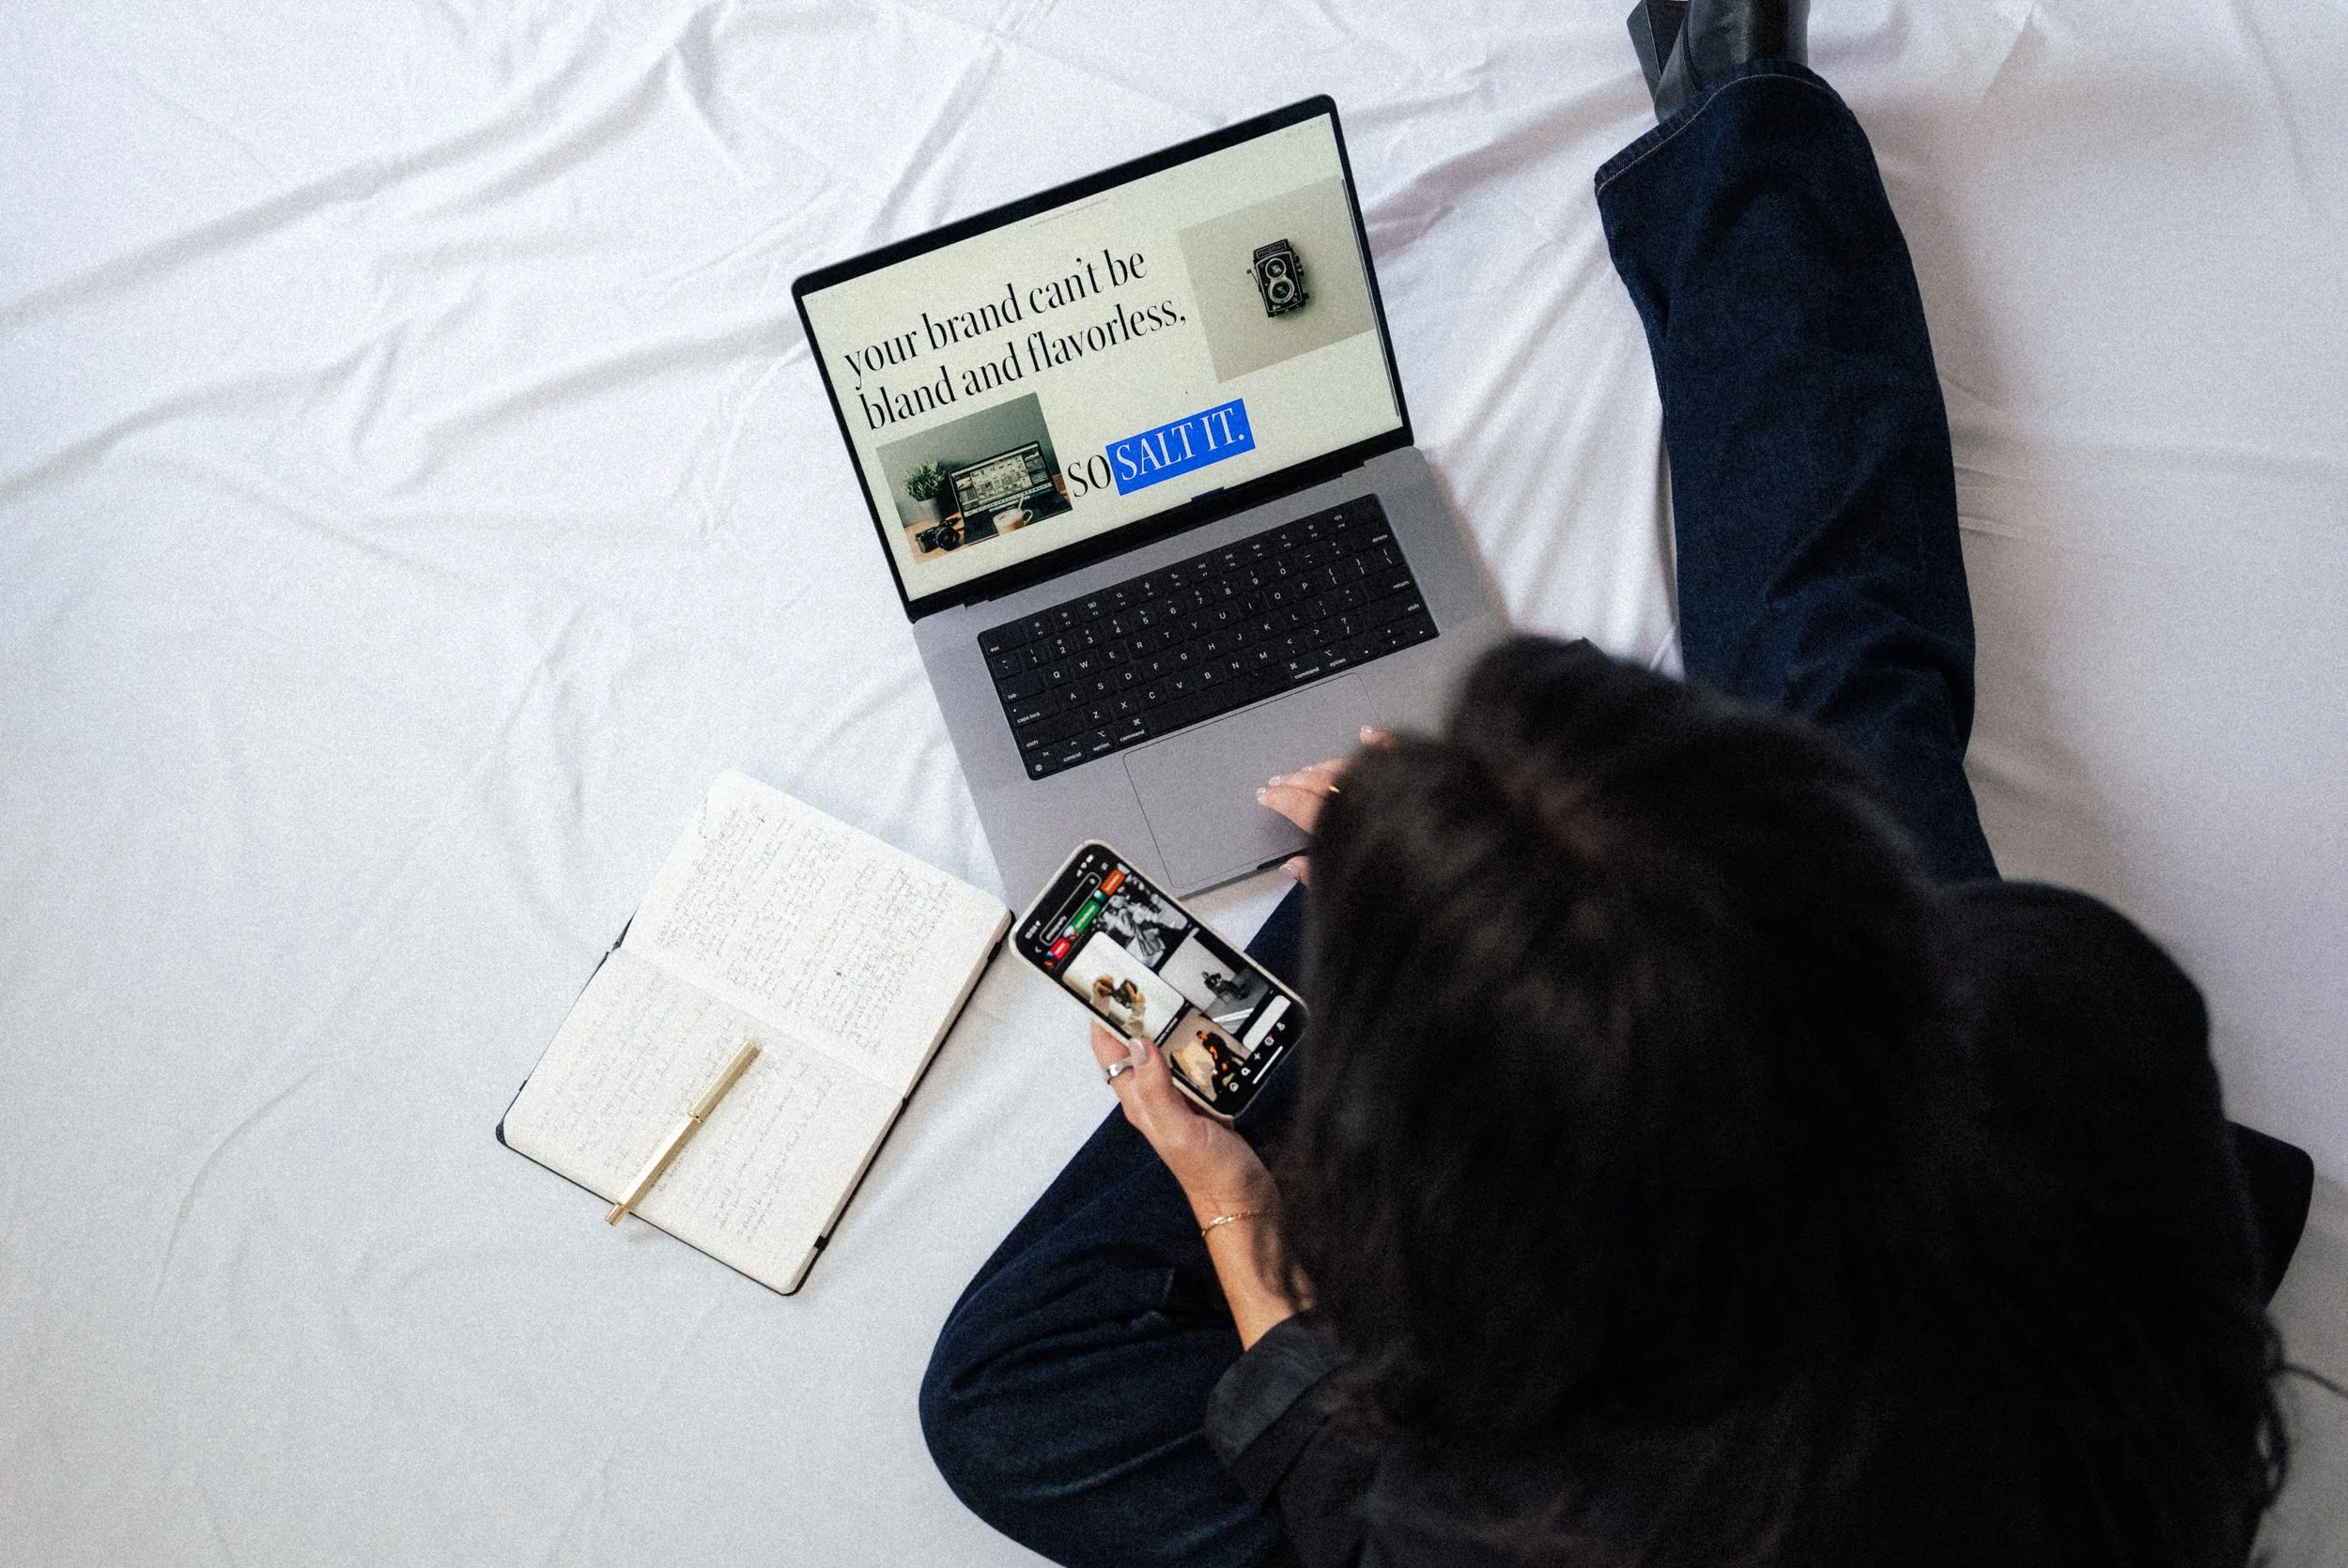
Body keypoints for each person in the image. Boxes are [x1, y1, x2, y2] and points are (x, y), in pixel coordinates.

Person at [919, 4, 2316, 1564]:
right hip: (2024, 1394)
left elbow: (1355, 1514)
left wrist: (1242, 1208)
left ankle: (1427, 944)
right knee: (1843, 671)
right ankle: (1740, 108)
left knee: (1006, 1395)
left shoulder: (1529, 1503)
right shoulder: (2063, 1000)